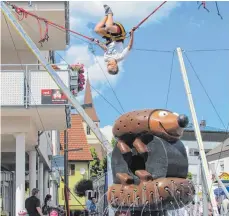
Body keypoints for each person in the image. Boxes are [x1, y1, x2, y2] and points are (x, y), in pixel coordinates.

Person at [94, 4, 134, 75]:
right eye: (109, 65)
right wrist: (132, 34)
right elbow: (129, 47)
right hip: (119, 35)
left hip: (109, 38)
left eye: (107, 66)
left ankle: (107, 15)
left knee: (97, 30)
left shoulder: (106, 58)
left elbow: (105, 49)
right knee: (108, 27)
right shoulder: (120, 57)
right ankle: (110, 13)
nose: (108, 64)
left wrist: (97, 42)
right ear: (115, 66)